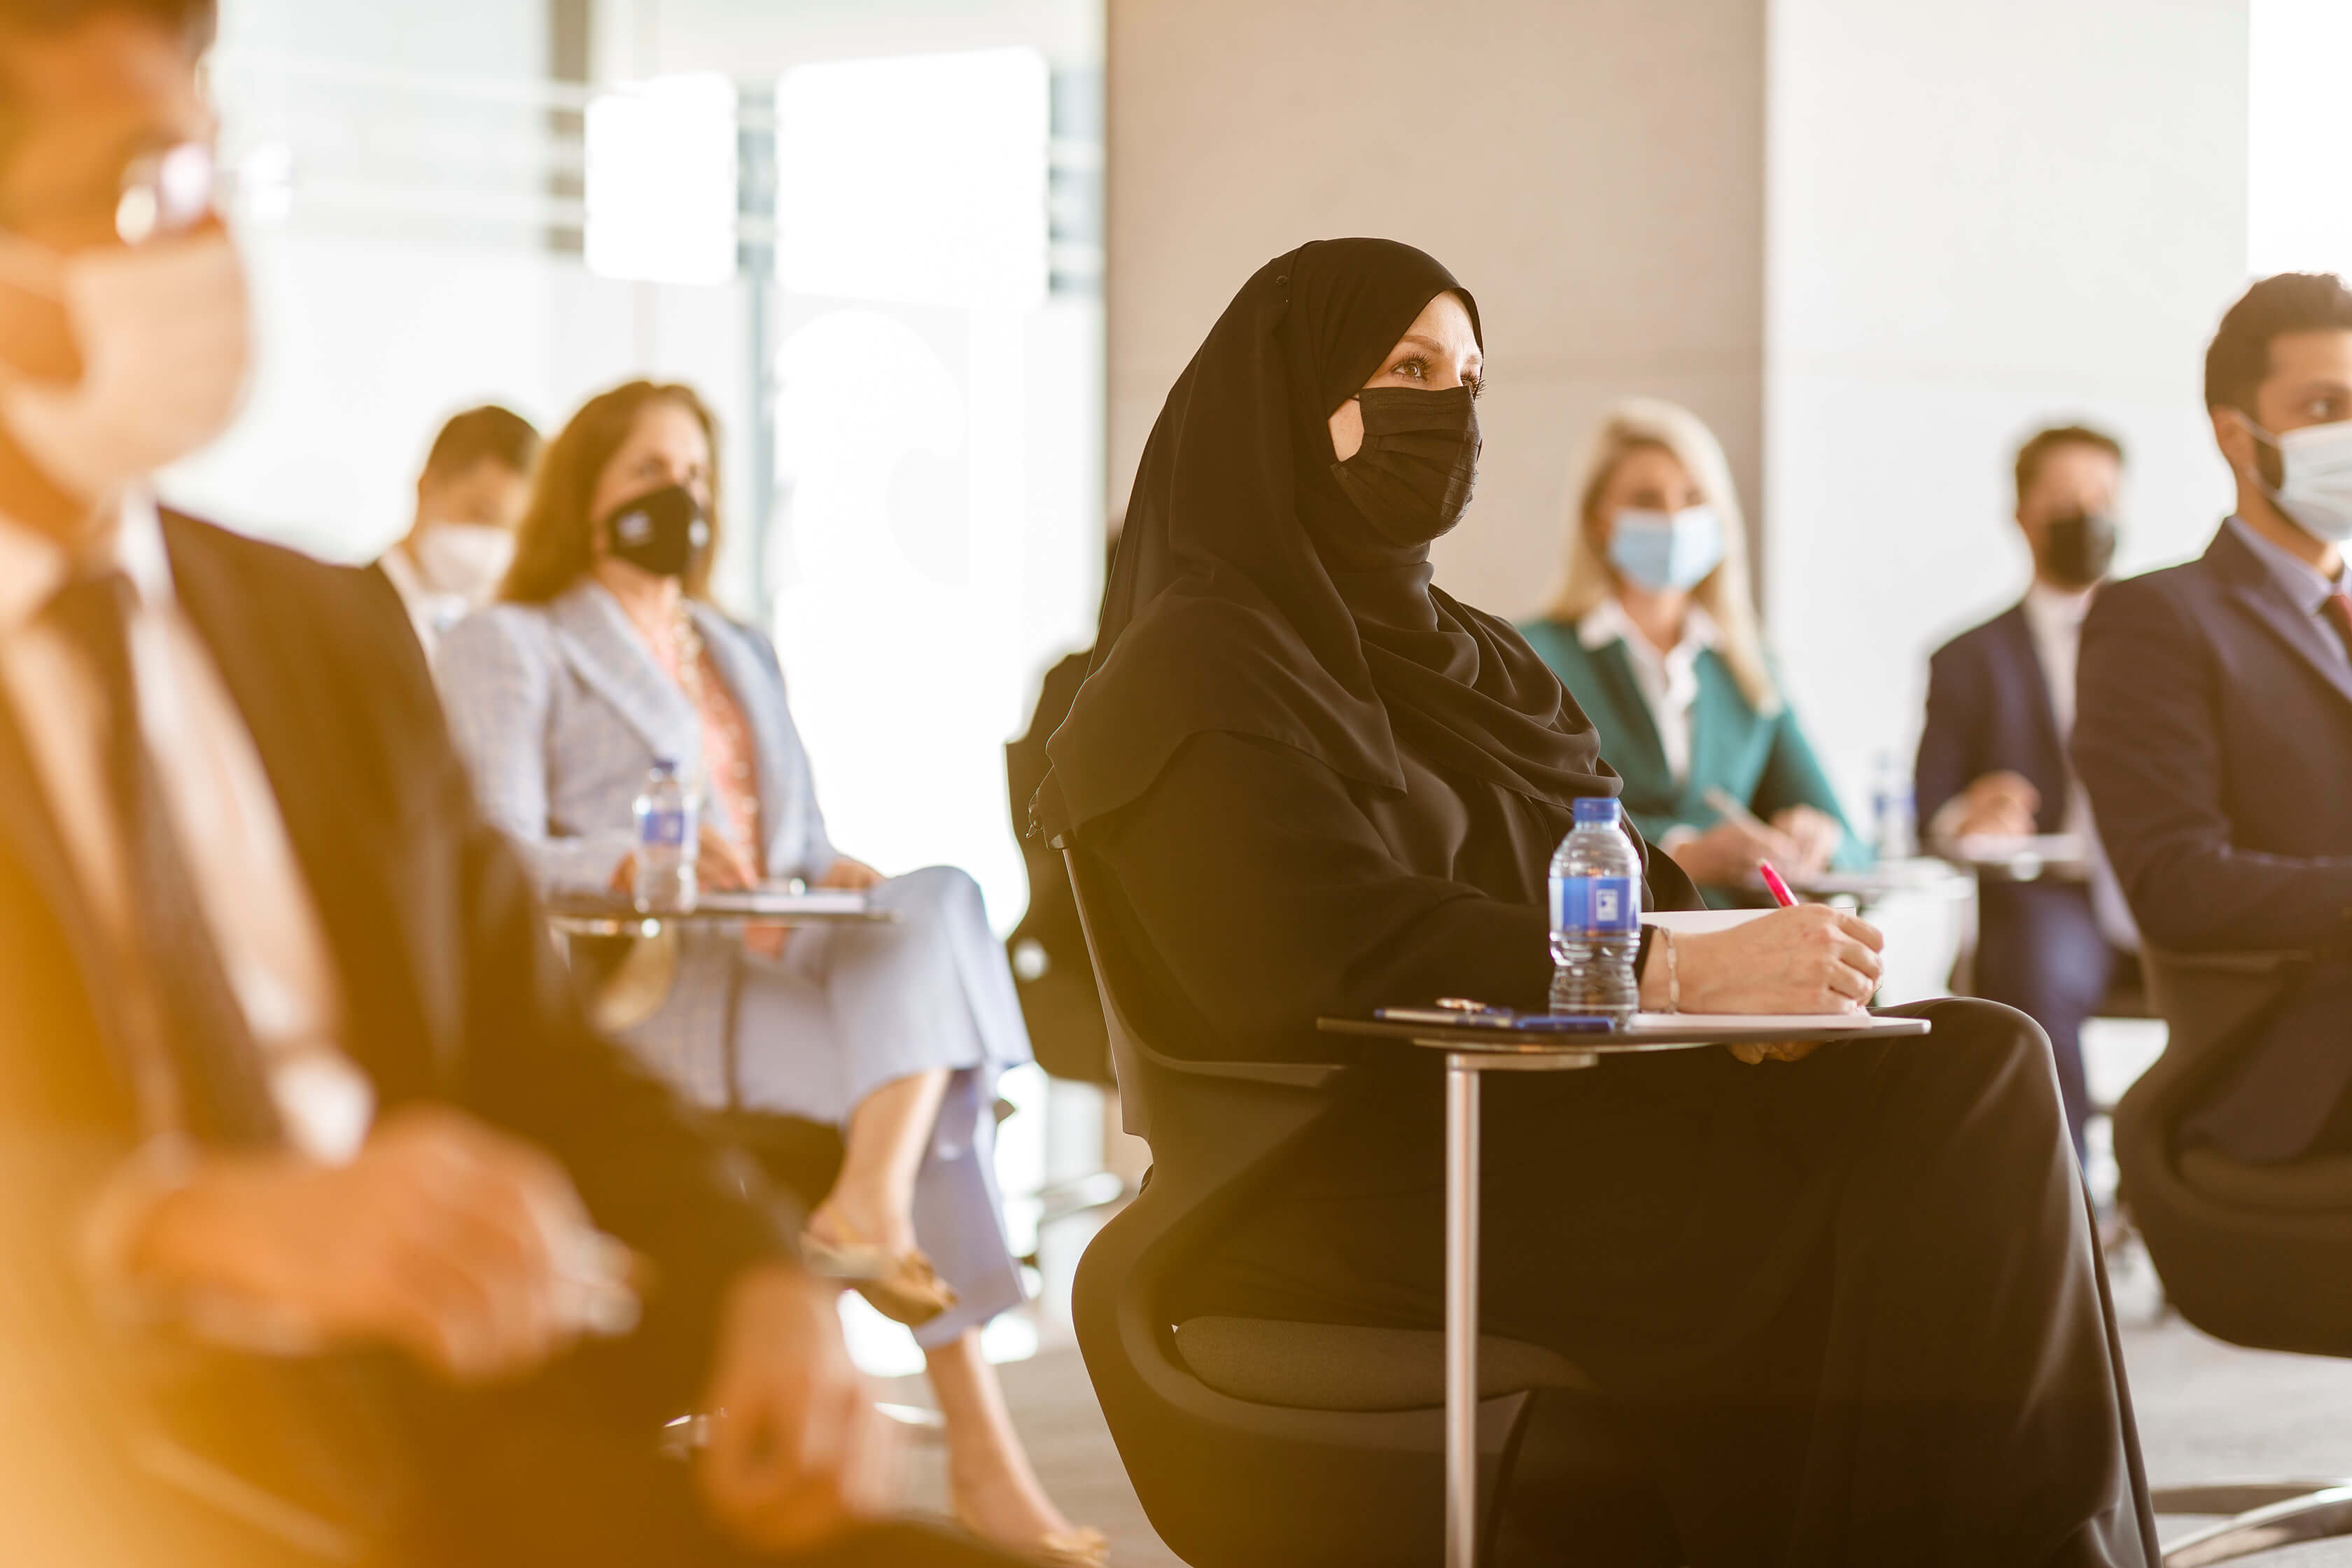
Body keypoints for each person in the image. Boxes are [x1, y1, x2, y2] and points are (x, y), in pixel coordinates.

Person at [0, 2, 1028, 1564]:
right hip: (91, 1455)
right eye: (144, 191)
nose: (205, 248)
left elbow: (538, 1046)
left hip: (464, 1428)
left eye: (214, 172)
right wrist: (181, 1220)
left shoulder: (315, 630)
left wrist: (756, 1277)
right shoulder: (504, 641)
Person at [1037, 238, 2157, 1565]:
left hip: (1563, 1111)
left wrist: (1742, 982)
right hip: (1360, 1173)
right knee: (1909, 1170)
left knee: (1980, 1061)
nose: (1450, 411)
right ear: (1294, 394)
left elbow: (1622, 869)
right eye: (1408, 371)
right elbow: (1323, 949)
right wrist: (1677, 977)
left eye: (1469, 378)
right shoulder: (1199, 667)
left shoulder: (1475, 657)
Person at [435, 380, 1098, 1567]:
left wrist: (830, 870)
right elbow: (489, 848)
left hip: (784, 966)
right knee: (932, 1094)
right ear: (586, 489)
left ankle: (870, 1202)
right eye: (650, 472)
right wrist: (632, 861)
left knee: (940, 897)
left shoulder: (736, 647)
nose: (679, 496)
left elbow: (794, 840)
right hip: (660, 994)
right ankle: (981, 1445)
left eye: (695, 474)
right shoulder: (517, 640)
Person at [2077, 272, 2352, 1165]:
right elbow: (2174, 880)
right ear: (2238, 436)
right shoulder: (2158, 619)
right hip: (2297, 1067)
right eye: (2325, 407)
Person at [1518, 398, 1862, 902]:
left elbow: (1853, 844)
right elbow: (1525, 828)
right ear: (1597, 519)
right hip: (1615, 936)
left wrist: (1820, 841)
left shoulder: (1746, 665)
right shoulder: (1533, 656)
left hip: (1747, 938)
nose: (1674, 518)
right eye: (1646, 499)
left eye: (1694, 497)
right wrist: (1679, 851)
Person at [1917, 424, 2140, 1163]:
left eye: (2102, 498)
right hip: (2053, 898)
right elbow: (1930, 808)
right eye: (2065, 499)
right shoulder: (1968, 659)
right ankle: (2066, 1193)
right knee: (2034, 972)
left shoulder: (2170, 642)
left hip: (2160, 885)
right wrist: (1969, 816)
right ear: (2022, 515)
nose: (2087, 515)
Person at [372, 404, 540, 662]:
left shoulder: (483, 639)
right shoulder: (340, 608)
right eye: (483, 515)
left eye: (512, 531)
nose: (494, 545)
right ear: (428, 487)